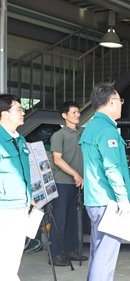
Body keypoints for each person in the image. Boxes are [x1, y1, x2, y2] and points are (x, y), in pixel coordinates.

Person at [80, 83, 130, 281]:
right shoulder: (108, 131)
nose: (121, 104)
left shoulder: (92, 127)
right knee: (105, 254)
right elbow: (112, 168)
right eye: (120, 100)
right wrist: (123, 199)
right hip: (107, 200)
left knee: (98, 251)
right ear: (111, 102)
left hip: (96, 199)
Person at [0, 94, 35, 281]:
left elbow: (24, 172)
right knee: (4, 250)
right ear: (4, 113)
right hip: (4, 204)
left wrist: (29, 195)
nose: (23, 112)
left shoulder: (19, 139)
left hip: (21, 202)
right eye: (18, 109)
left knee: (14, 250)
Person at [48, 101, 88, 267]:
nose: (77, 115)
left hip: (78, 183)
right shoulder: (59, 135)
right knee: (60, 218)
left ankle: (70, 250)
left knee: (74, 218)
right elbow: (57, 160)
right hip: (62, 182)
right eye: (73, 112)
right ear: (64, 116)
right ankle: (55, 254)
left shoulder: (82, 133)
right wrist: (75, 174)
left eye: (78, 112)